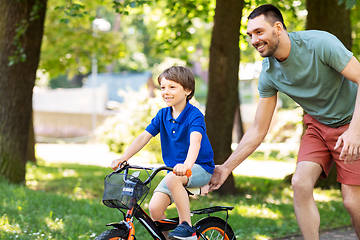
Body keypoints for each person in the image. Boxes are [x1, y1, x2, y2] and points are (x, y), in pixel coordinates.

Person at [208, 4, 360, 240]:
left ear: (278, 28)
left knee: (352, 203)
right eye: (250, 35)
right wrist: (226, 167)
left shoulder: (320, 44)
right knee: (300, 183)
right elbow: (258, 129)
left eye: (259, 32)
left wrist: (355, 132)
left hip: (353, 121)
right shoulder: (269, 74)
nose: (253, 40)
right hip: (318, 126)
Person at [111, 66, 215, 240]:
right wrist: (123, 158)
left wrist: (187, 166)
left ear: (187, 90)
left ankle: (187, 227)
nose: (166, 92)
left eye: (172, 87)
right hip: (174, 172)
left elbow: (195, 142)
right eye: (163, 87)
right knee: (155, 209)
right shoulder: (162, 115)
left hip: (199, 167)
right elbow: (144, 137)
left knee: (173, 177)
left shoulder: (194, 115)